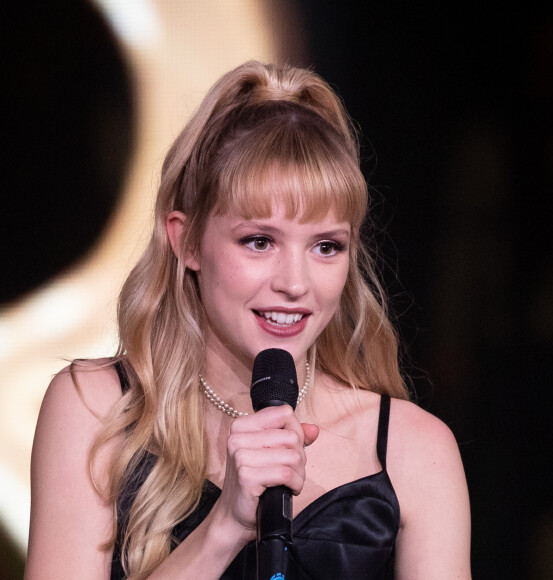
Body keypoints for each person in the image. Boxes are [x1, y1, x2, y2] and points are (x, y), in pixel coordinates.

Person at [25, 61, 471, 579]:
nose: (295, 282)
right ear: (186, 240)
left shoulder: (416, 451)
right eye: (259, 241)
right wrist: (224, 528)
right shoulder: (96, 410)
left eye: (326, 246)